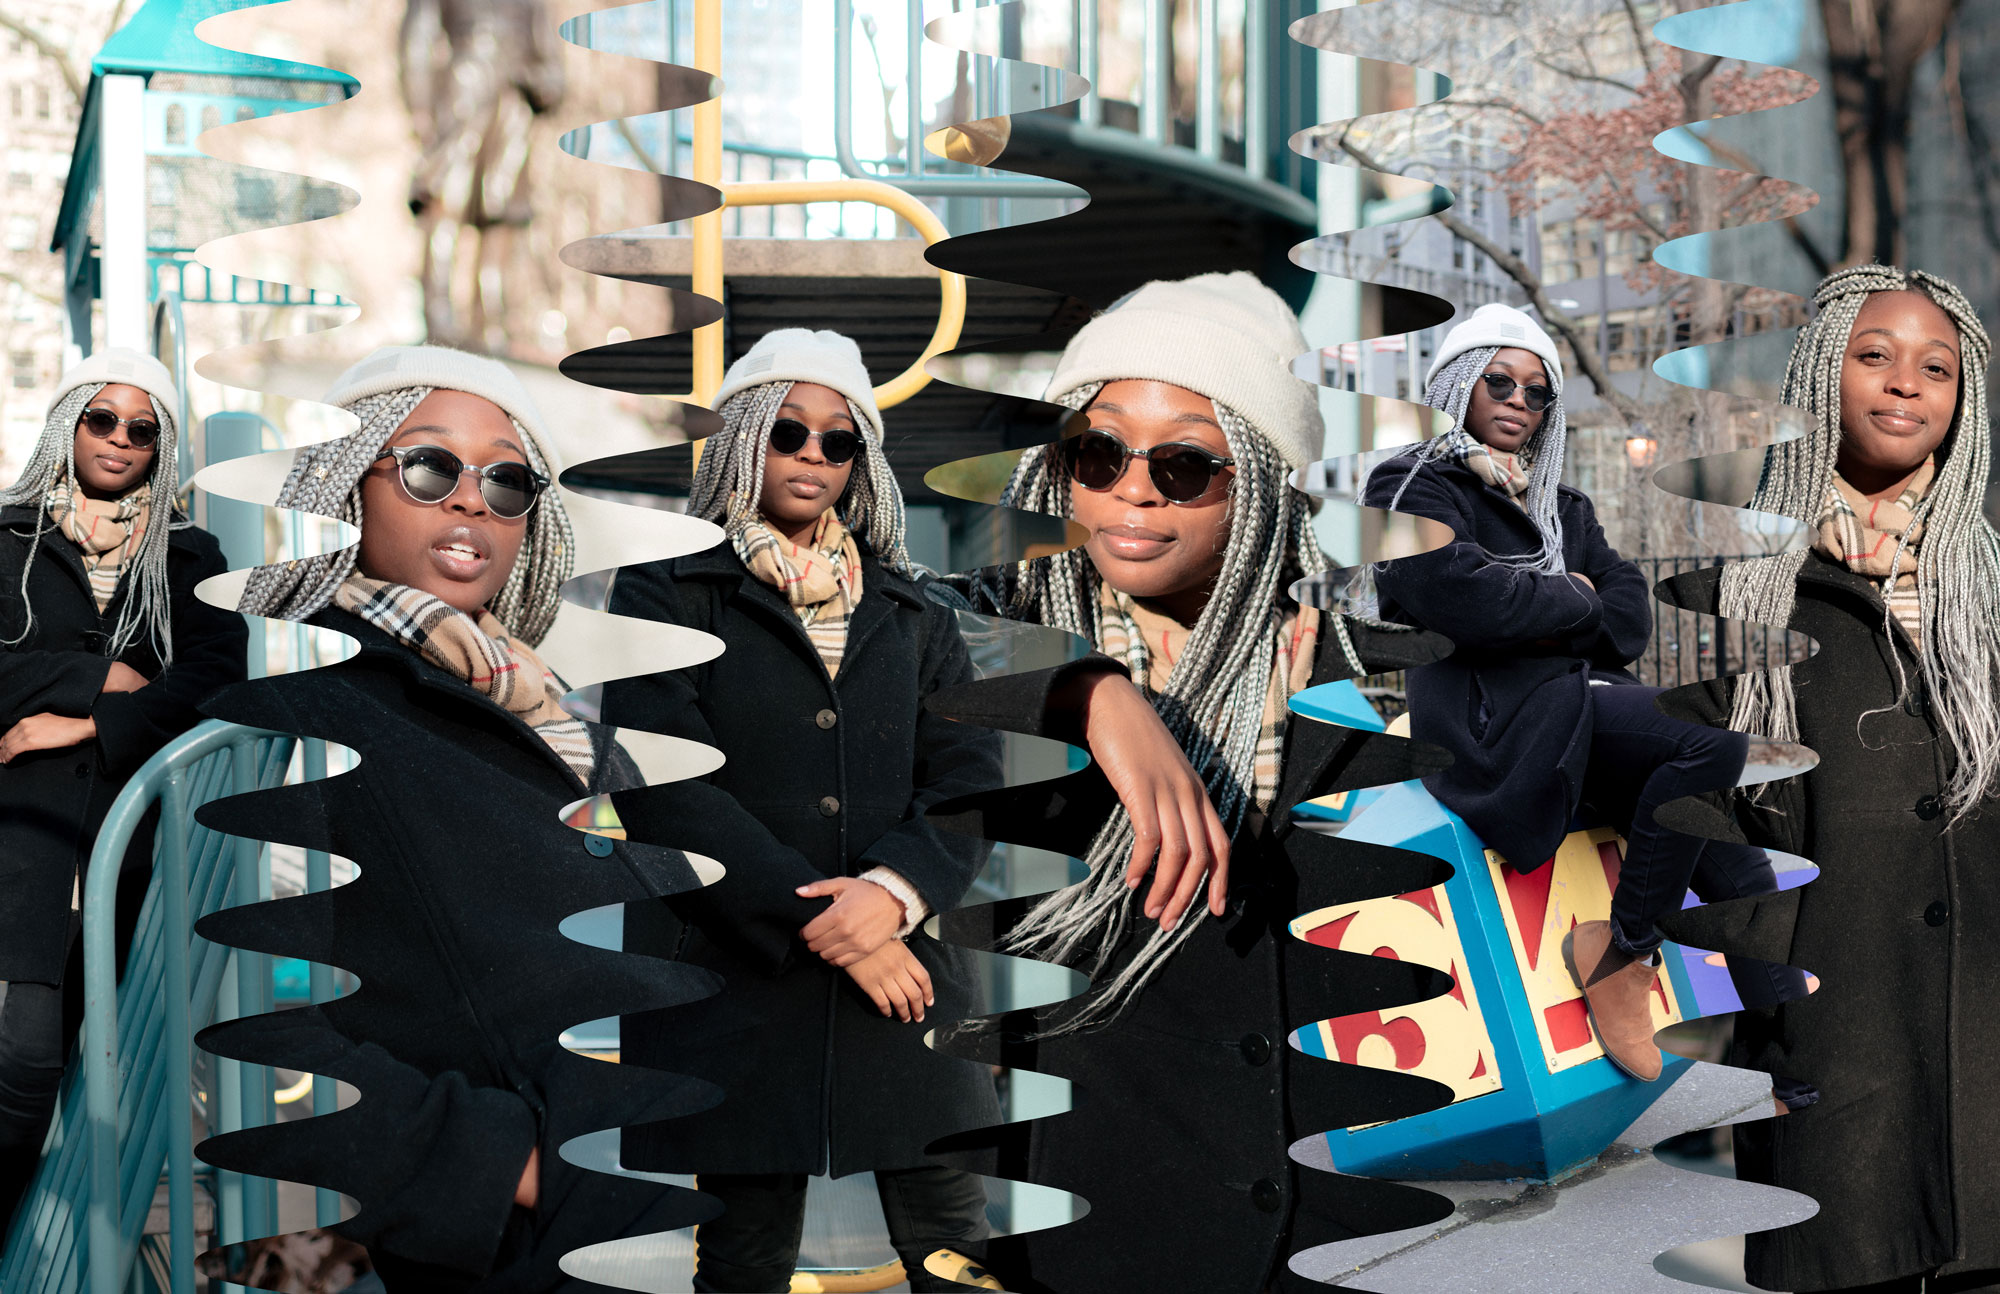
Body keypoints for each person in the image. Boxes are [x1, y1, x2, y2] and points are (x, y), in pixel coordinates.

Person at [934, 271, 1463, 1294]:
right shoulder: (984, 646)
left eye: (1183, 464)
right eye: (1096, 452)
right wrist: (1082, 691)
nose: (1131, 488)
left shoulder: (1383, 674)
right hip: (1076, 1246)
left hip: (1348, 1236)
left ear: (1262, 481)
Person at [198, 346, 714, 1291]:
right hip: (547, 1242)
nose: (473, 500)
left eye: (508, 482)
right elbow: (239, 1019)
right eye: (431, 466)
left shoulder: (551, 709)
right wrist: (507, 1167)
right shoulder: (296, 710)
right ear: (345, 487)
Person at [600, 329, 1007, 1293]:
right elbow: (662, 783)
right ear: (744, 441)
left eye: (839, 441)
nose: (814, 458)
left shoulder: (915, 610)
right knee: (743, 1250)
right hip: (733, 970)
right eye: (789, 433)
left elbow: (968, 775)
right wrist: (842, 926)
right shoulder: (667, 591)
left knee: (953, 1235)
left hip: (904, 965)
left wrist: (896, 894)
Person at [1659, 264, 2000, 1294]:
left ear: (1962, 401)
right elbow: (1672, 800)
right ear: (1817, 378)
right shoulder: (1719, 598)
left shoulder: (1987, 595)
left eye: (1934, 367)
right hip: (1834, 1060)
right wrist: (1778, 952)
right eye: (1873, 356)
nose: (1904, 385)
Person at [1359, 303, 1802, 1083]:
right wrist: (1574, 596)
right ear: (1459, 385)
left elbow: (1630, 617)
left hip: (1583, 706)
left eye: (1537, 392)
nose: (1518, 402)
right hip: (1497, 730)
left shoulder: (1561, 506)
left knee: (1743, 875)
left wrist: (1549, 603)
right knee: (1716, 746)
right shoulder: (1411, 483)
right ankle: (1622, 954)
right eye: (1499, 381)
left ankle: (1790, 1070)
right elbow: (1465, 600)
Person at [0, 349, 246, 1234]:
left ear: (162, 446)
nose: (118, 440)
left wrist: (83, 723)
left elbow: (218, 683)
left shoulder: (190, 557)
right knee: (20, 1066)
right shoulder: (9, 539)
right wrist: (108, 681)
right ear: (69, 420)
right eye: (101, 418)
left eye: (142, 429)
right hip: (19, 849)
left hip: (130, 852)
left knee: (102, 1078)